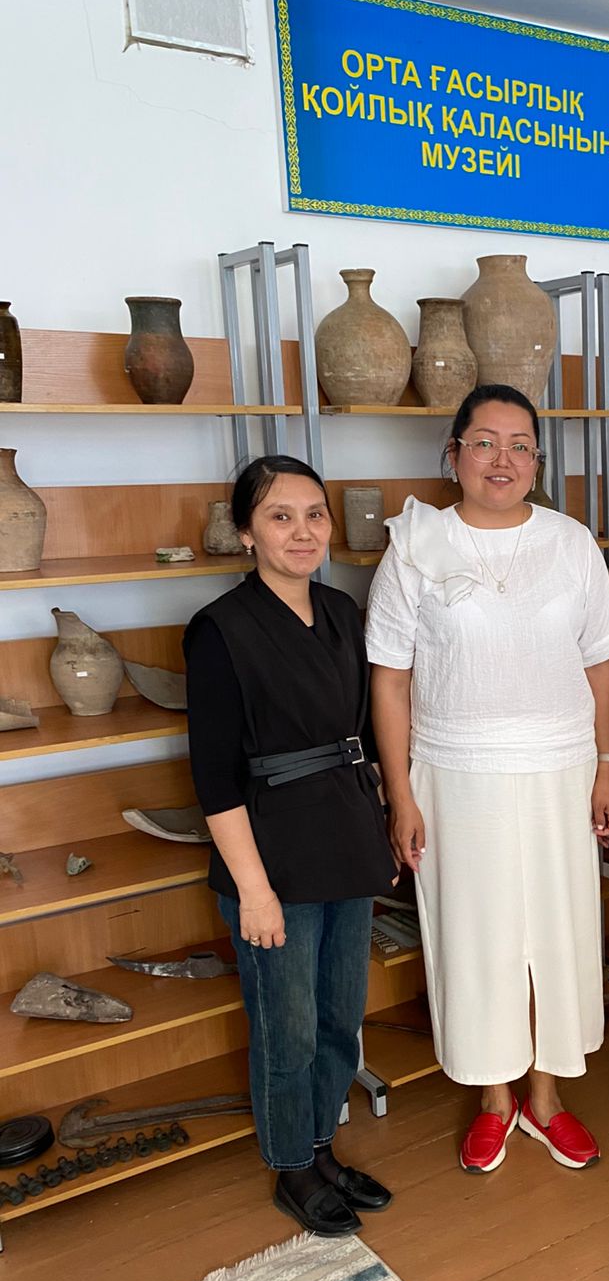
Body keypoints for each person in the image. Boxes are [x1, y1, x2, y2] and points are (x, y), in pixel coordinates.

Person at [365, 384, 609, 1174]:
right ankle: (493, 1097)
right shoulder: (416, 546)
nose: (501, 459)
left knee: (556, 934)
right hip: (455, 775)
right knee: (476, 939)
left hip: (560, 770)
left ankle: (546, 1096)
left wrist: (607, 766)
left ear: (538, 461)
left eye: (519, 445)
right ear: (454, 455)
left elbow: (599, 665)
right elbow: (390, 681)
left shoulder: (572, 543)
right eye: (483, 442)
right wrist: (401, 794)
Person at [184, 454, 397, 1237]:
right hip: (271, 855)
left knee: (340, 1016)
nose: (302, 531)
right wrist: (254, 890)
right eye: (280, 516)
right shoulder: (220, 631)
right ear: (246, 532)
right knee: (288, 1026)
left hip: (344, 836)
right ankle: (290, 1167)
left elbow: (363, 734)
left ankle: (321, 1148)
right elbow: (214, 778)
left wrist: (386, 821)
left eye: (314, 515)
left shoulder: (341, 612)